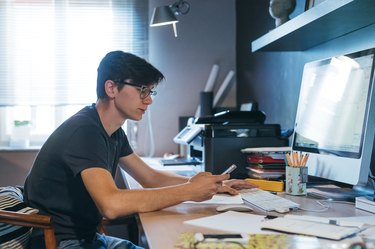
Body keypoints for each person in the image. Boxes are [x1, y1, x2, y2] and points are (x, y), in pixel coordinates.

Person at [24, 51, 256, 249]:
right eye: (142, 90)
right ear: (112, 88)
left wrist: (214, 186)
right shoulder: (85, 131)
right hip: (59, 242)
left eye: (150, 92)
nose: (148, 100)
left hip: (85, 237)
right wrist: (188, 192)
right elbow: (111, 205)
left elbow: (150, 177)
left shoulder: (111, 130)